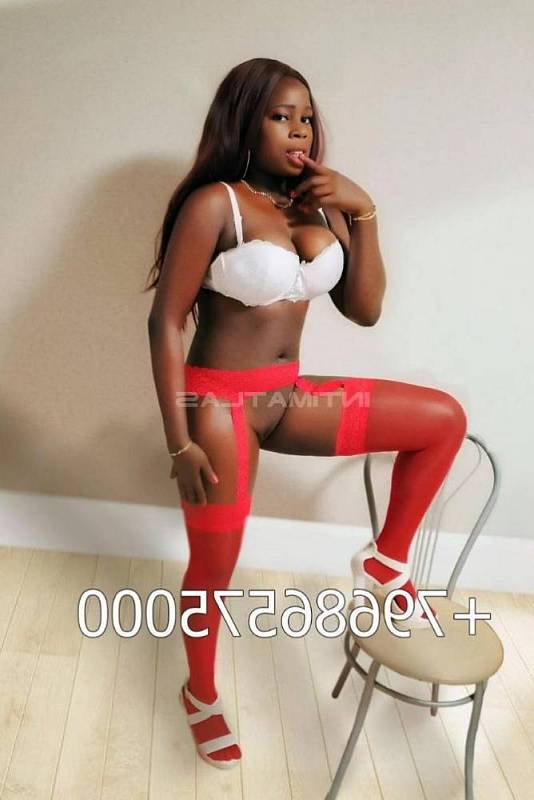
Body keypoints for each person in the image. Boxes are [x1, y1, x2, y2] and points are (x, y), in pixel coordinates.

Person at [144, 57, 467, 769]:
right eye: (281, 116)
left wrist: (363, 210)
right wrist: (179, 441)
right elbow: (165, 322)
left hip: (288, 397)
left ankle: (385, 562)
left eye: (307, 117)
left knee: (442, 420)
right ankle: (199, 693)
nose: (299, 130)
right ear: (244, 121)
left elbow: (365, 309)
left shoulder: (317, 206)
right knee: (215, 564)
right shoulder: (215, 205)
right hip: (218, 405)